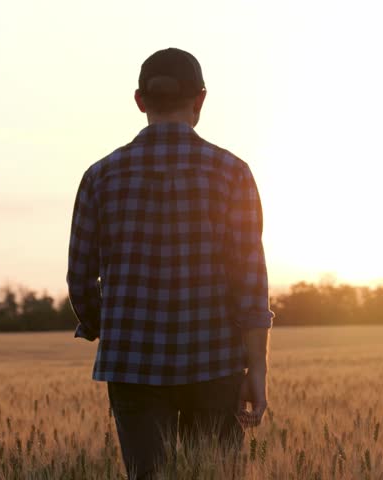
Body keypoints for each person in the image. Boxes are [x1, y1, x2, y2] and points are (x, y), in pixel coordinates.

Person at [66, 48, 273, 479]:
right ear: (200, 99)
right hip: (216, 363)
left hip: (131, 365)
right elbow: (250, 283)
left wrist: (111, 327)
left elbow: (80, 277)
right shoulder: (233, 173)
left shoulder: (100, 176)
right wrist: (258, 365)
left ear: (140, 101)